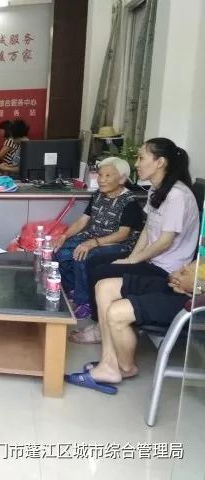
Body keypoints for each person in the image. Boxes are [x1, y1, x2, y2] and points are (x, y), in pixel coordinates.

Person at [78, 138, 199, 344]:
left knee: (102, 271)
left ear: (159, 162)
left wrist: (133, 261)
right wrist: (132, 257)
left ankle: (101, 329)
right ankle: (101, 323)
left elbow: (165, 241)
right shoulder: (156, 190)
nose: (136, 164)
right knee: (93, 261)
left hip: (167, 269)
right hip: (151, 259)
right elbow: (147, 229)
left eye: (141, 158)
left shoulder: (177, 195)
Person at [64, 260, 198, 394]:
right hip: (185, 285)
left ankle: (126, 368)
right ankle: (109, 363)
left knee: (117, 312)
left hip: (195, 302)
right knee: (104, 287)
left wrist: (194, 285)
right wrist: (177, 276)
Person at [53, 157, 143, 321]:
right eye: (100, 175)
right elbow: (83, 221)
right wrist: (64, 236)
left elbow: (123, 234)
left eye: (108, 176)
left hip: (118, 244)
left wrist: (92, 243)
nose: (101, 180)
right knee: (60, 251)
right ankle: (73, 290)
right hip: (93, 237)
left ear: (122, 178)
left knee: (83, 256)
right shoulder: (97, 195)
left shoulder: (129, 202)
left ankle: (85, 303)